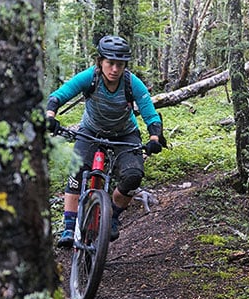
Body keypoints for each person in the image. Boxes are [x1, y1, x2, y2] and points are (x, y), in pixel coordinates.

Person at [46, 35, 163, 248]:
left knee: (133, 176)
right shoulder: (90, 77)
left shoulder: (131, 82)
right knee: (77, 170)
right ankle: (69, 227)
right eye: (110, 63)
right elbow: (59, 96)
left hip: (124, 135)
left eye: (120, 64)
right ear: (100, 61)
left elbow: (150, 114)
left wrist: (155, 137)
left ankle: (113, 215)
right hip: (91, 131)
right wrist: (50, 116)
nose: (115, 69)